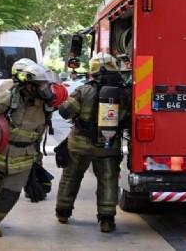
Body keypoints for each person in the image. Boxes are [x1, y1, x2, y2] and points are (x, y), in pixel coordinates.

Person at [0, 60, 67, 237]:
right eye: (41, 85)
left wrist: (36, 162)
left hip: (23, 158)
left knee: (8, 195)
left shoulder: (47, 104)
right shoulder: (8, 98)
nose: (45, 89)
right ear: (28, 86)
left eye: (46, 85)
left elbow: (39, 135)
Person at [55, 52, 130, 233]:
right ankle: (106, 220)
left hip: (79, 145)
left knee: (71, 177)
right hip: (108, 146)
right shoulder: (125, 92)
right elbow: (128, 120)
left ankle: (63, 213)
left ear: (92, 71)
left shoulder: (83, 90)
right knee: (108, 181)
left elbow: (65, 112)